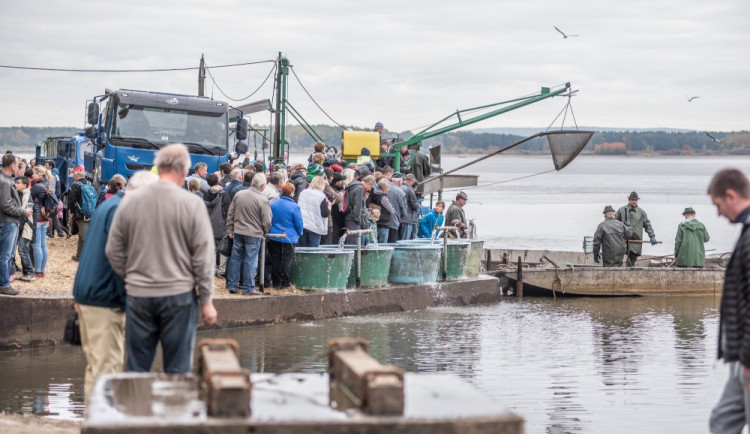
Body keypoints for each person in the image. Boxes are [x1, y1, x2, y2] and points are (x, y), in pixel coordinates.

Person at [105, 144, 217, 374]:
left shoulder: (131, 201)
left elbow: (113, 250)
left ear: (159, 166)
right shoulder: (192, 204)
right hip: (179, 296)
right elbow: (203, 257)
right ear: (184, 171)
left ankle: (134, 407)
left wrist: (132, 275)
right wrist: (206, 300)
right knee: (178, 368)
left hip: (139, 294)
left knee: (137, 366)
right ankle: (174, 409)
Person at [74, 171, 157, 402]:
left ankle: (94, 420)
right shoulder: (124, 212)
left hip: (89, 293)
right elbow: (124, 258)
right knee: (107, 370)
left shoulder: (108, 207)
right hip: (105, 298)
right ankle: (103, 423)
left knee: (96, 368)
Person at [707, 169, 750, 433]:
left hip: (747, 359)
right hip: (740, 359)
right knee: (722, 421)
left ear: (731, 196)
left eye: (718, 205)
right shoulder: (746, 232)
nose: (718, 213)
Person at [225, 173, 272, 295]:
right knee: (250, 260)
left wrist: (230, 229)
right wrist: (265, 231)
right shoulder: (263, 200)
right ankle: (248, 287)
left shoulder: (239, 195)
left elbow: (231, 213)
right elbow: (267, 220)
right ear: (262, 186)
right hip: (254, 233)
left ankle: (232, 285)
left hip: (238, 231)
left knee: (235, 258)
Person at [1, 154, 31, 295]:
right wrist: (22, 212)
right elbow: (6, 205)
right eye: (17, 164)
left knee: (7, 255)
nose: (18, 167)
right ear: (12, 165)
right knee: (6, 255)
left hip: (9, 221)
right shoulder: (5, 182)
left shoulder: (6, 179)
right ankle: (4, 284)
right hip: (7, 222)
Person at [268, 182, 303, 288]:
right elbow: (299, 223)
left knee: (275, 259)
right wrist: (299, 233)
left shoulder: (273, 204)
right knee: (287, 260)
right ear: (292, 192)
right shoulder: (294, 207)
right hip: (289, 237)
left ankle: (276, 282)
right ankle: (285, 283)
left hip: (274, 235)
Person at [616, 191, 657, 266]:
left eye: (635, 200)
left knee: (632, 259)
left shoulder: (641, 212)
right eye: (632, 200)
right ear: (629, 200)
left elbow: (647, 224)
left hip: (636, 240)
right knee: (619, 258)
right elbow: (614, 223)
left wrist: (652, 235)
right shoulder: (621, 210)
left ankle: (630, 272)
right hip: (623, 240)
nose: (634, 202)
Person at [203, 173, 230, 278]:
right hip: (221, 224)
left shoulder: (206, 195)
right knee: (223, 247)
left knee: (212, 248)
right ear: (218, 181)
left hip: (209, 224)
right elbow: (228, 210)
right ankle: (221, 270)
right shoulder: (224, 194)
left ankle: (212, 268)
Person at [29, 165, 52, 277]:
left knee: (37, 245)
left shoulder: (36, 186)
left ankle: (37, 270)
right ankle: (41, 270)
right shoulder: (46, 184)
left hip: (37, 217)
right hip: (45, 217)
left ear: (38, 174)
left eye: (33, 173)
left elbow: (29, 200)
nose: (31, 175)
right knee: (43, 245)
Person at [297, 176, 331, 248]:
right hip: (315, 227)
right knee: (313, 252)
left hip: (303, 225)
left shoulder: (303, 192)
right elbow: (325, 214)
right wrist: (329, 207)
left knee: (303, 250)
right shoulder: (321, 196)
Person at [69, 166, 94, 262]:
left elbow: (72, 200)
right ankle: (79, 256)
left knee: (84, 235)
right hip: (90, 212)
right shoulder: (90, 183)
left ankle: (86, 257)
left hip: (80, 213)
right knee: (82, 234)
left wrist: (72, 211)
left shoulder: (75, 185)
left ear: (76, 175)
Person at [14, 176, 35, 282]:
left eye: (18, 183)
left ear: (25, 185)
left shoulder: (28, 196)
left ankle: (30, 273)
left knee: (23, 250)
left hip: (26, 227)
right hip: (23, 227)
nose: (16, 184)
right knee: (23, 250)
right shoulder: (22, 194)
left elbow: (28, 213)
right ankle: (27, 272)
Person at [343, 173, 371, 245]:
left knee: (350, 240)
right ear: (368, 183)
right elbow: (357, 205)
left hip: (348, 215)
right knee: (353, 242)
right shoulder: (360, 188)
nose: (369, 189)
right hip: (353, 218)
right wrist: (358, 220)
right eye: (370, 187)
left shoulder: (352, 186)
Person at [367, 178, 397, 243]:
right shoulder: (383, 198)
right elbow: (391, 210)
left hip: (374, 222)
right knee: (383, 244)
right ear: (385, 188)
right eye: (388, 187)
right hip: (383, 223)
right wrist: (392, 206)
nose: (388, 189)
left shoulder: (373, 193)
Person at [387, 174, 408, 242]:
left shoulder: (383, 187)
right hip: (394, 222)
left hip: (380, 222)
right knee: (391, 244)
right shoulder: (400, 191)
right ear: (399, 181)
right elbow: (404, 210)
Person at [401, 174, 420, 240]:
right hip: (408, 218)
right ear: (411, 181)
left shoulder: (399, 186)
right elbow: (414, 205)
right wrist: (418, 206)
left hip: (399, 218)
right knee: (405, 240)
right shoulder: (410, 190)